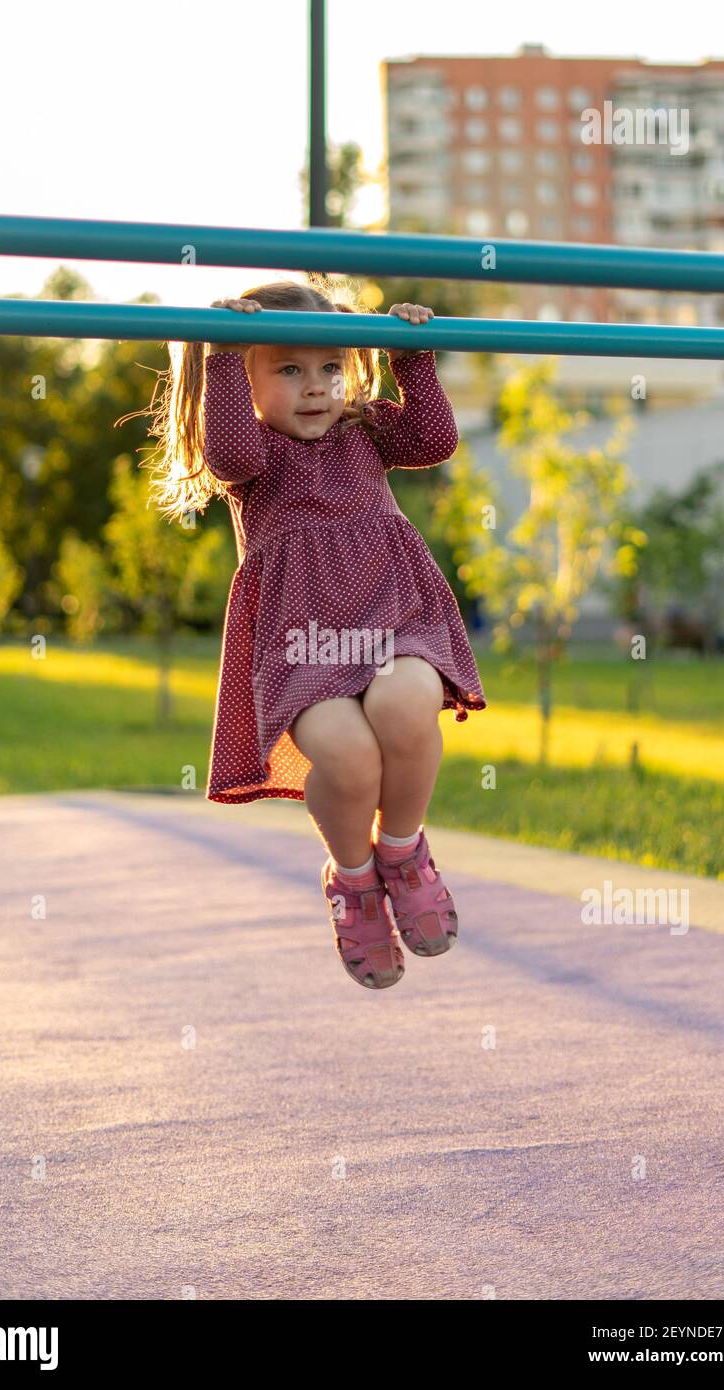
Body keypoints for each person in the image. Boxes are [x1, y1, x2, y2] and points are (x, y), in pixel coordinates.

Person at [142, 278, 486, 991]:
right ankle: (354, 881)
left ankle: (402, 851)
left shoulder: (364, 430)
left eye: (330, 367)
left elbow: (435, 439)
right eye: (288, 369)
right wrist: (223, 354)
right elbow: (230, 451)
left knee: (405, 707)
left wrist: (411, 356)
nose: (315, 387)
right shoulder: (253, 459)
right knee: (352, 758)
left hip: (395, 620)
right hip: (307, 648)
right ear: (246, 378)